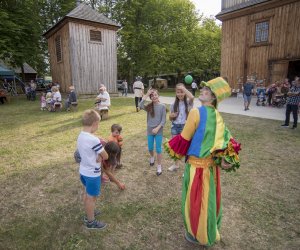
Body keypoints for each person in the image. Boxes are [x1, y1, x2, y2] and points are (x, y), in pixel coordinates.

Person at [164, 77, 240, 246]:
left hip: (196, 168)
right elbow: (228, 142)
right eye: (203, 88)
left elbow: (183, 139)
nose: (202, 91)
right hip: (212, 169)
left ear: (213, 98)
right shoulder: (218, 116)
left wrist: (170, 147)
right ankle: (208, 228)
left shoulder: (195, 112)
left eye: (207, 91)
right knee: (208, 201)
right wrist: (226, 161)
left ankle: (196, 233)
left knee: (195, 200)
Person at [77, 109, 108, 229]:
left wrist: (98, 142)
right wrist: (101, 155)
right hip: (93, 174)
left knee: (88, 194)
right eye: (98, 124)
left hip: (83, 172)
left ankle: (89, 212)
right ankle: (91, 222)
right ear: (95, 123)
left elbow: (89, 147)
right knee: (91, 197)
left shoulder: (81, 135)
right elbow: (106, 155)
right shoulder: (93, 140)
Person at [139, 88, 166, 176]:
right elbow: (140, 104)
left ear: (158, 96)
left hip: (158, 131)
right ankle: (152, 157)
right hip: (150, 130)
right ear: (150, 97)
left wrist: (157, 128)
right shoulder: (149, 106)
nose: (154, 96)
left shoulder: (162, 106)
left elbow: (163, 120)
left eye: (155, 95)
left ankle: (159, 166)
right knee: (150, 148)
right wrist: (146, 94)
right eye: (152, 95)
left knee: (158, 149)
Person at [168, 83, 194, 171]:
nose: (180, 94)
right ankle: (176, 165)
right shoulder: (173, 104)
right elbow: (170, 118)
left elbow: (192, 97)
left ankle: (187, 168)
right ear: (175, 93)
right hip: (175, 127)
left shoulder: (188, 102)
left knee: (186, 147)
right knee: (175, 147)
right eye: (178, 92)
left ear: (185, 92)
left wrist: (183, 88)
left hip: (185, 127)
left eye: (182, 92)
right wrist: (172, 116)